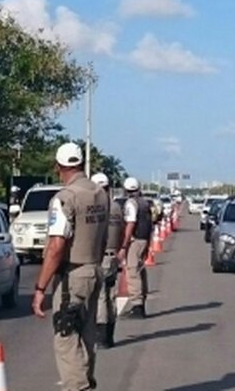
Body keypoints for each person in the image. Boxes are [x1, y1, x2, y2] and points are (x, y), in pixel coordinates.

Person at [32, 143, 109, 391]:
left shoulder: (65, 198)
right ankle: (86, 381)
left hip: (73, 274)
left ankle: (78, 388)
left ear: (58, 167)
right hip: (95, 268)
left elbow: (56, 246)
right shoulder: (100, 194)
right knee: (86, 335)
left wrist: (40, 287)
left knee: (66, 335)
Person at [90, 172, 123, 348]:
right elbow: (123, 230)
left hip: (100, 256)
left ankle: (101, 337)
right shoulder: (117, 207)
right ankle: (109, 336)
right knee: (111, 296)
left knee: (101, 297)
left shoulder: (97, 207)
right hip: (114, 256)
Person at [118, 177, 152, 319]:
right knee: (140, 270)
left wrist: (124, 245)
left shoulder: (131, 204)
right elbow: (150, 224)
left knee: (133, 271)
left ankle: (137, 305)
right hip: (144, 239)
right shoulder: (144, 203)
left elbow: (130, 224)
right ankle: (141, 302)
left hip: (136, 239)